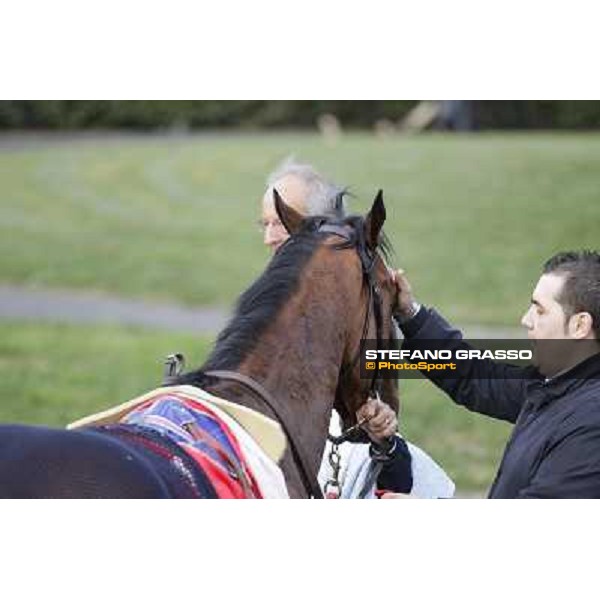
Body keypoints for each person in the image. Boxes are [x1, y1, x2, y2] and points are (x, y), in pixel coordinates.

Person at [260, 157, 455, 498]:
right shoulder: (268, 303)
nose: (269, 237)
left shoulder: (360, 308)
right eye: (264, 223)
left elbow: (466, 373)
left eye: (281, 222)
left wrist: (411, 316)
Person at [388, 250, 600, 498]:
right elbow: (476, 376)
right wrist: (410, 314)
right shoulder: (556, 385)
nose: (526, 320)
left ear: (579, 325)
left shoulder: (590, 425)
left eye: (540, 311)